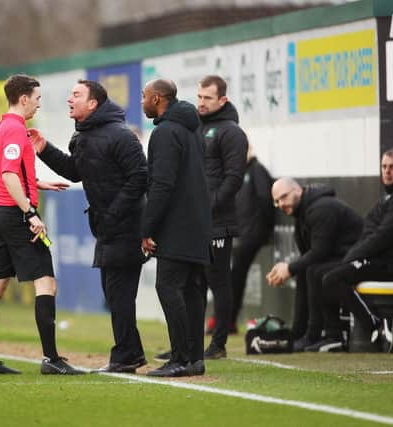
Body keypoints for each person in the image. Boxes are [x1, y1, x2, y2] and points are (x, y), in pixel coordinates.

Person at [29, 79, 148, 373]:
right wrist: (44, 149)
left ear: (93, 104)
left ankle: (125, 356)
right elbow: (75, 171)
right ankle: (131, 353)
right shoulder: (83, 136)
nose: (69, 99)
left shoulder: (121, 135)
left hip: (127, 227)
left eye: (76, 95)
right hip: (107, 228)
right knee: (115, 294)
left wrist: (113, 213)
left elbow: (139, 178)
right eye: (69, 94)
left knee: (119, 294)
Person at [0, 74, 82, 375]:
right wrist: (30, 212)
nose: (38, 104)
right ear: (23, 99)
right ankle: (51, 359)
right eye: (36, 98)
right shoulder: (14, 130)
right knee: (46, 281)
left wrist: (36, 183)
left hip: (0, 214)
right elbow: (8, 176)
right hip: (17, 217)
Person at [320, 147, 393, 350]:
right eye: (384, 167)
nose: (387, 172)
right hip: (381, 260)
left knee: (332, 278)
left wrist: (352, 257)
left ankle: (373, 324)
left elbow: (384, 236)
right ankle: (333, 335)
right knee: (319, 273)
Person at [141, 79, 211, 377]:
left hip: (177, 225)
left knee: (168, 287)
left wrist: (147, 227)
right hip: (199, 223)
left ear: (157, 98)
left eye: (144, 96)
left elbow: (162, 185)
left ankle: (181, 358)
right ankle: (194, 358)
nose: (142, 100)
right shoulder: (192, 129)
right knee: (193, 292)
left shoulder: (165, 132)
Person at [266, 177, 363, 351]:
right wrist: (292, 268)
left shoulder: (322, 208)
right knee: (307, 270)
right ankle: (299, 333)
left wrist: (289, 268)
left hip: (359, 260)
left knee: (313, 270)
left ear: (298, 191)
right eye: (277, 201)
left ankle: (324, 334)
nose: (280, 204)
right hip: (340, 259)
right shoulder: (301, 213)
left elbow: (320, 251)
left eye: (283, 197)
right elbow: (310, 255)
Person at [196, 74, 247, 359]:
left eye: (208, 98)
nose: (201, 103)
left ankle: (218, 345)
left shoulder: (231, 132)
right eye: (199, 97)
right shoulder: (196, 127)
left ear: (222, 100)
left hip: (218, 223)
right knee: (193, 284)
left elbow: (234, 178)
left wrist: (210, 205)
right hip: (194, 221)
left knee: (219, 282)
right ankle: (189, 342)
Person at [229, 144, 275, 330]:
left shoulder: (257, 170)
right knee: (231, 276)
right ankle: (226, 319)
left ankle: (227, 320)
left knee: (235, 276)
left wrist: (264, 229)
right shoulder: (239, 173)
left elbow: (266, 199)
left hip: (251, 235)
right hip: (240, 233)